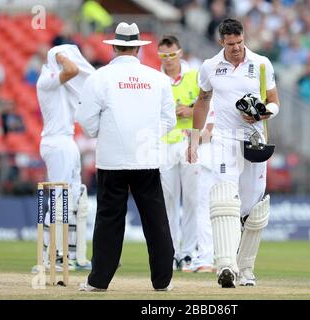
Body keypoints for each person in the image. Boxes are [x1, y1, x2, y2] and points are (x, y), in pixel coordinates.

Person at [76, 22, 176, 292]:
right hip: (147, 158)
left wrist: (103, 131)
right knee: (156, 219)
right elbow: (169, 120)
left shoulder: (99, 77)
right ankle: (163, 281)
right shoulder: (158, 78)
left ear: (115, 48)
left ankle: (98, 281)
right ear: (136, 49)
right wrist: (148, 138)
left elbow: (86, 122)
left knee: (109, 218)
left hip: (112, 158)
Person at [188, 18, 280, 288]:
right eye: (231, 44)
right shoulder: (209, 67)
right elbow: (202, 101)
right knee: (225, 198)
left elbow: (275, 102)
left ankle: (246, 269)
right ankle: (225, 266)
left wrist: (264, 112)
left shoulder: (261, 63)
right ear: (222, 42)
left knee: (253, 208)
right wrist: (194, 140)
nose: (237, 48)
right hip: (225, 140)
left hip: (254, 140)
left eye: (240, 42)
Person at [36, 44, 95, 272]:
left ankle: (72, 255)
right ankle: (51, 255)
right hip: (55, 141)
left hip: (67, 140)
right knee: (60, 198)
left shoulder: (62, 83)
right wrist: (58, 54)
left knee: (73, 198)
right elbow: (71, 69)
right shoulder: (47, 78)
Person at [157, 35, 200, 271]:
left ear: (180, 53)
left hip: (188, 142)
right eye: (164, 55)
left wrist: (190, 110)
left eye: (172, 54)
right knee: (169, 200)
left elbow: (207, 106)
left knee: (192, 198)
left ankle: (188, 252)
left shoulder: (194, 75)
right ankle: (171, 252)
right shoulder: (156, 79)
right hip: (164, 144)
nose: (169, 60)